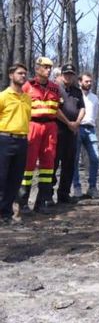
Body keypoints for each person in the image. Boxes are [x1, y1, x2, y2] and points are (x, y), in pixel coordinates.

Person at [18, 57, 67, 213]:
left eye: (50, 67)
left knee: (48, 164)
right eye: (45, 67)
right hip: (33, 125)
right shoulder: (27, 86)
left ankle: (43, 200)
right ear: (37, 68)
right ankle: (23, 202)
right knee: (28, 164)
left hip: (50, 127)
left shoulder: (55, 88)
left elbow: (57, 108)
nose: (48, 70)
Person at [0, 63, 30, 223]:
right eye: (20, 73)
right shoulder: (3, 96)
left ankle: (6, 214)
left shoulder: (27, 98)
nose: (23, 76)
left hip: (22, 141)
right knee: (1, 177)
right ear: (11, 75)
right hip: (5, 139)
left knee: (15, 179)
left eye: (25, 74)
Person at [54, 64, 85, 205]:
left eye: (71, 74)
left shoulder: (77, 91)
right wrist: (68, 122)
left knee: (69, 163)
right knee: (54, 163)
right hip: (58, 129)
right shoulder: (55, 89)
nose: (68, 76)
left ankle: (64, 194)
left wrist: (77, 123)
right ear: (61, 74)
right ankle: (47, 194)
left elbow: (82, 108)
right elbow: (54, 108)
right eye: (66, 74)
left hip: (73, 132)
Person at [73, 72, 99, 199]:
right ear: (80, 82)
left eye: (90, 81)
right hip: (78, 128)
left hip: (91, 129)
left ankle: (92, 187)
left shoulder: (94, 98)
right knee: (75, 159)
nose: (89, 83)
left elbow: (94, 114)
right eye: (86, 81)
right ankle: (77, 187)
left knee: (95, 158)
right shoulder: (76, 95)